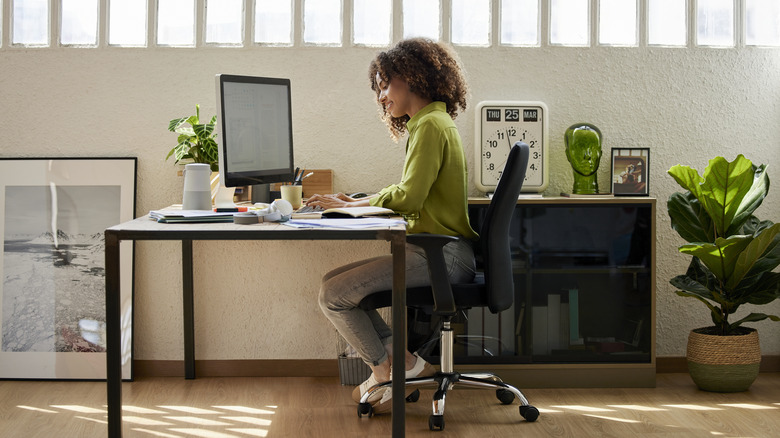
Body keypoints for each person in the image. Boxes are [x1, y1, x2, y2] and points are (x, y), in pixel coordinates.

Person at [306, 38, 479, 414]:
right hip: (439, 251)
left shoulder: (431, 126)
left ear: (412, 77)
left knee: (334, 295)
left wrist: (358, 204)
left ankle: (385, 372)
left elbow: (409, 197)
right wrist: (356, 203)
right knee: (333, 285)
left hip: (442, 255)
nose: (381, 96)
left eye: (385, 84)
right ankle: (407, 364)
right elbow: (407, 191)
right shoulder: (430, 123)